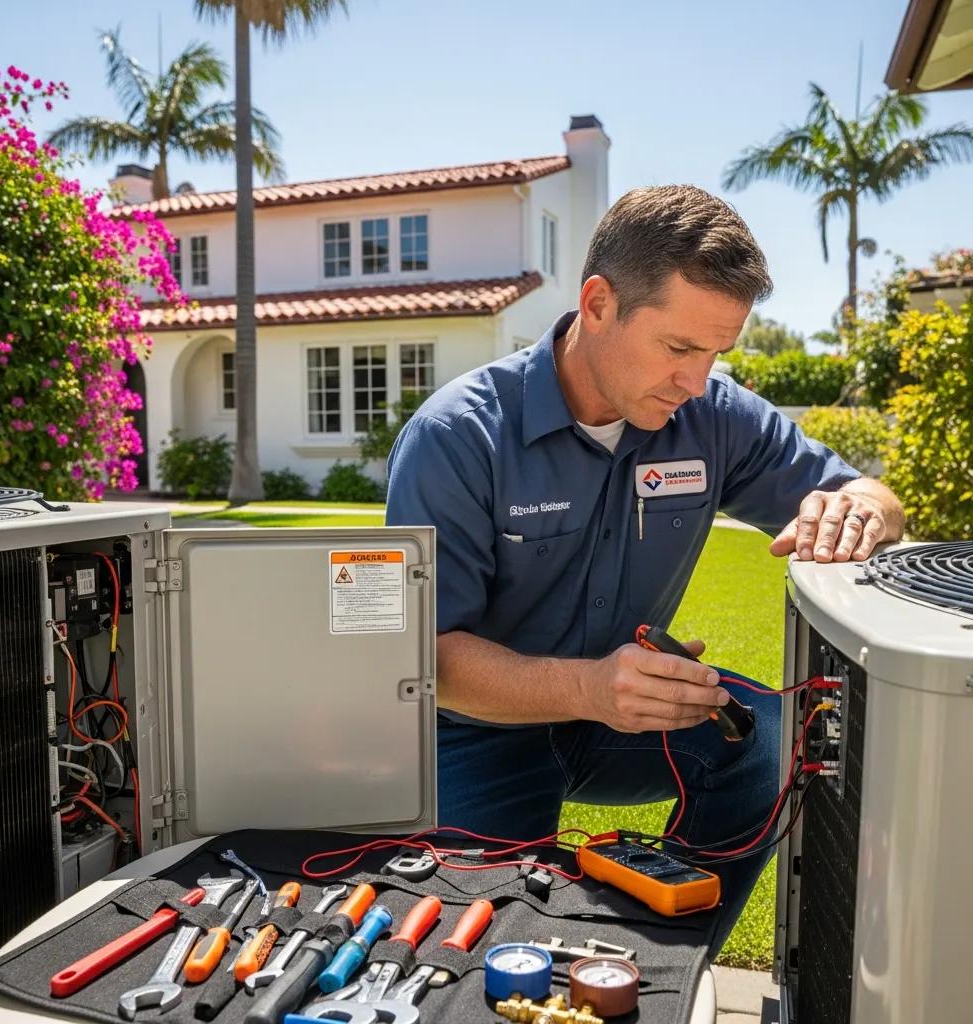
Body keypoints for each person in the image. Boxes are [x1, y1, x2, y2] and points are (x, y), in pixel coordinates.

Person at [384, 184, 905, 955]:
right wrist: (591, 688)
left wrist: (867, 509)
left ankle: (661, 959)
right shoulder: (458, 437)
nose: (698, 382)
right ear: (598, 304)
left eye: (717, 353)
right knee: (467, 936)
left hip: (629, 720)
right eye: (679, 349)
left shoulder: (713, 418)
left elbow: (867, 491)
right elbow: (426, 661)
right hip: (473, 733)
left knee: (770, 739)